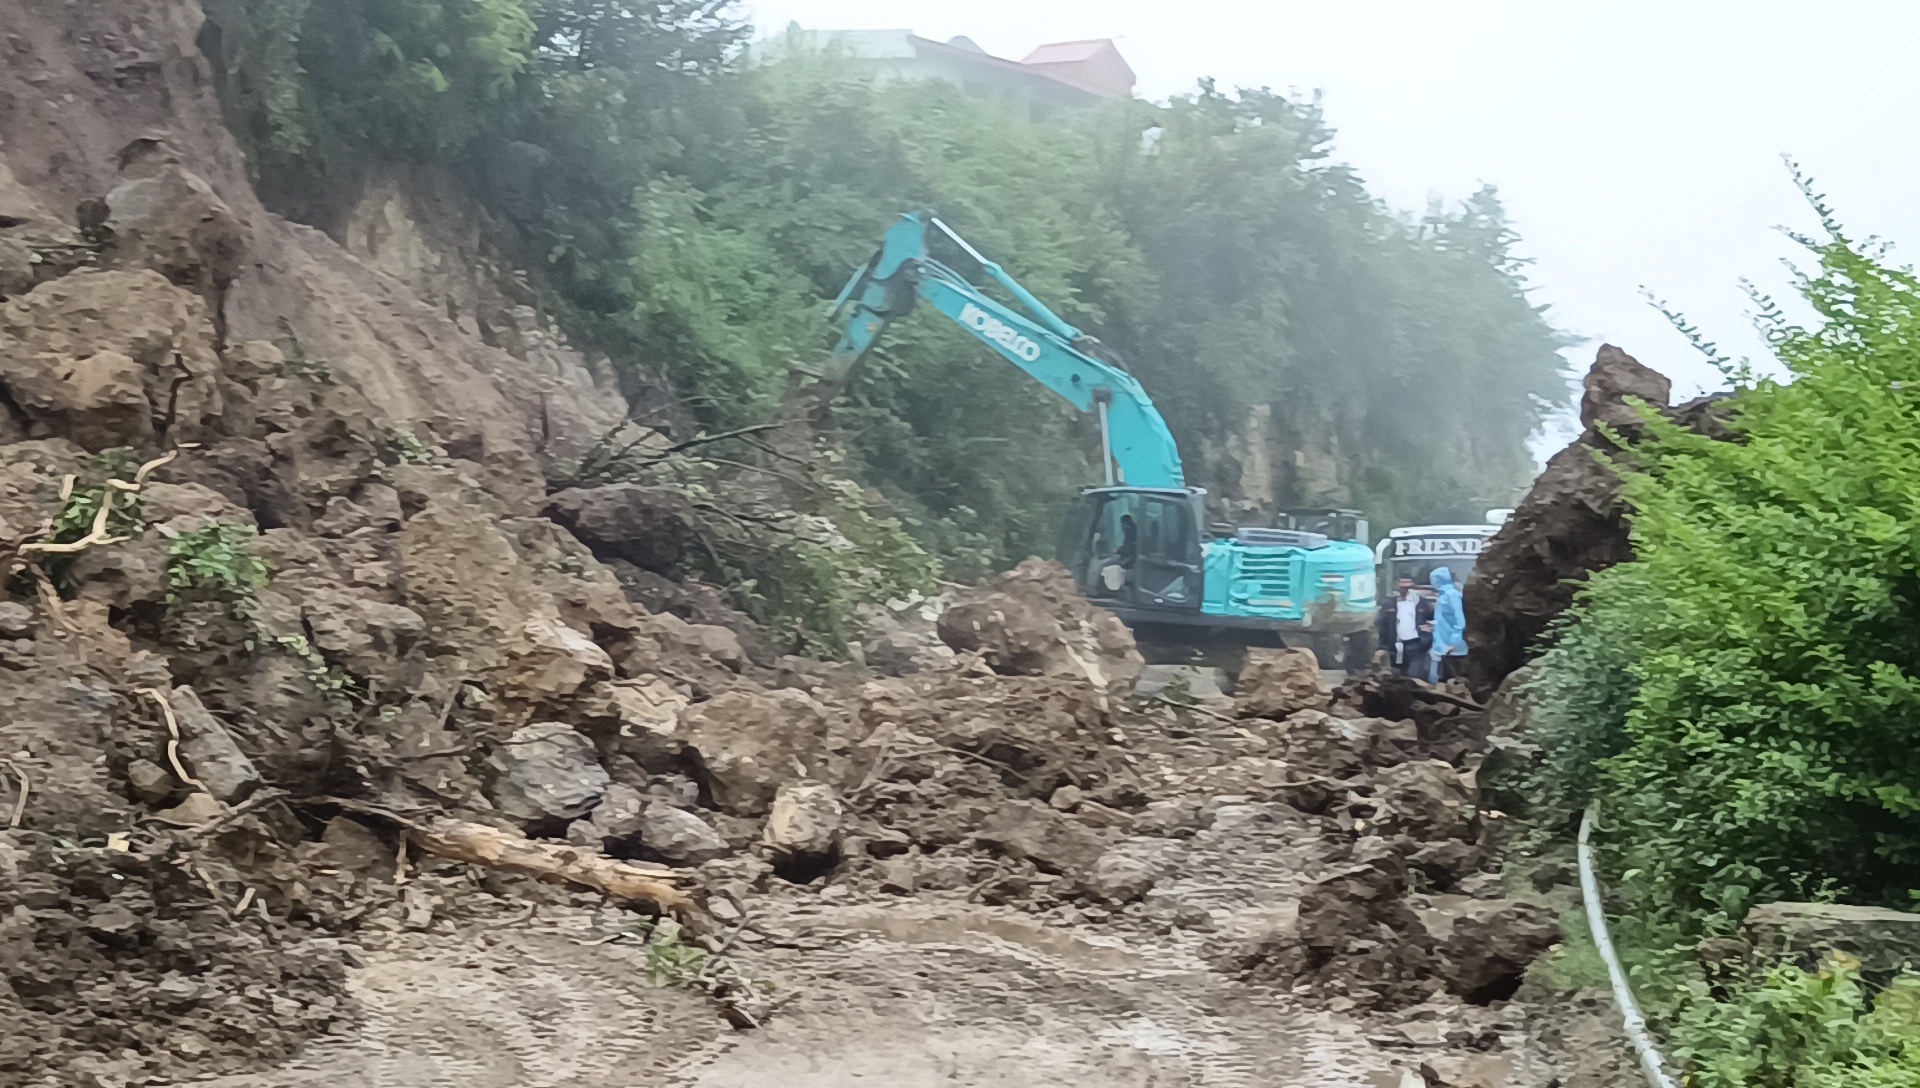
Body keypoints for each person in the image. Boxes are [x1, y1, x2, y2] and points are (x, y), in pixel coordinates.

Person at [1375, 575, 1433, 676]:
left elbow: (1433, 621)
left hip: (1416, 644)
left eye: (1408, 587)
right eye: (1402, 587)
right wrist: (1382, 646)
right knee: (1396, 674)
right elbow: (1383, 626)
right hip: (1395, 645)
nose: (1405, 591)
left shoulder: (1423, 604)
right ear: (1397, 587)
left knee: (1414, 675)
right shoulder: (1389, 604)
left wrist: (1426, 640)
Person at [1427, 565, 1468, 683]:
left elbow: (1459, 620)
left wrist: (1454, 642)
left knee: (1450, 679)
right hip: (1442, 645)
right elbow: (1444, 618)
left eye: (1433, 579)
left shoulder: (1451, 595)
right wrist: (1433, 624)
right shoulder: (1443, 595)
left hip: (1451, 648)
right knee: (1439, 678)